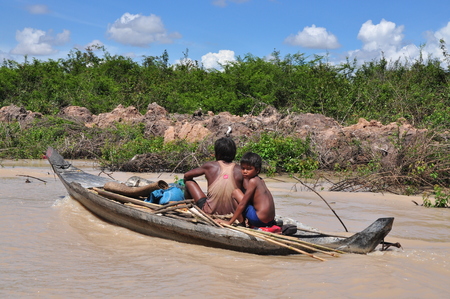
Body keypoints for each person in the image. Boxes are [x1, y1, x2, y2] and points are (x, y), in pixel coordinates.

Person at [184, 137, 243, 215]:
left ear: (217, 154)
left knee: (188, 182)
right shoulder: (241, 170)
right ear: (234, 154)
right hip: (233, 214)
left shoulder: (210, 166)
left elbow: (187, 175)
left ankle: (190, 209)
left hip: (209, 212)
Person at [218, 152, 276, 227]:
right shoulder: (261, 180)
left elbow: (242, 204)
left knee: (236, 192)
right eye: (243, 168)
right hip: (270, 221)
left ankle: (242, 224)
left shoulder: (253, 181)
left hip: (259, 220)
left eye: (249, 169)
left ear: (257, 170)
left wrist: (229, 222)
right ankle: (248, 221)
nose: (245, 171)